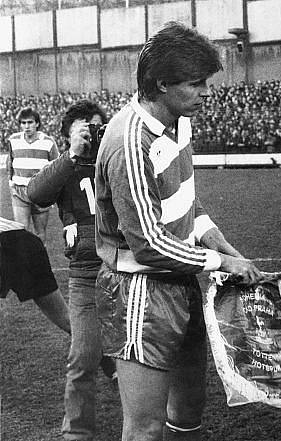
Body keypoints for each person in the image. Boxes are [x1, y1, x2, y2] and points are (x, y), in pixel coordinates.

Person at [94, 22, 263, 441]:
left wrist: (221, 244)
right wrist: (222, 262)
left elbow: (187, 200)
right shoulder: (129, 143)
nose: (206, 91)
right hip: (141, 290)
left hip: (181, 280)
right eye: (197, 83)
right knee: (145, 428)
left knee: (188, 413)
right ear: (162, 83)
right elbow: (149, 245)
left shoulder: (178, 119)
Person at [28, 99, 117, 441]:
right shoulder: (64, 167)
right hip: (84, 274)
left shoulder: (116, 160)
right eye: (85, 129)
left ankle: (147, 417)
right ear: (67, 135)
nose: (93, 135)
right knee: (83, 356)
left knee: (140, 352)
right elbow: (36, 194)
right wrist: (72, 156)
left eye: (98, 127)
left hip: (126, 269)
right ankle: (77, 431)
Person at [0, 216, 70, 334]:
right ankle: (99, 347)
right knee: (65, 318)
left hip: (13, 242)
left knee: (64, 317)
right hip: (24, 239)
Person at [6, 107, 59, 243]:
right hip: (19, 191)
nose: (26, 126)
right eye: (23, 123)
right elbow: (10, 164)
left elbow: (56, 167)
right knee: (21, 231)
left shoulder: (48, 141)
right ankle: (24, 264)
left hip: (40, 192)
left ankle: (40, 263)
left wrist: (51, 190)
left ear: (37, 123)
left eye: (30, 122)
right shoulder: (13, 140)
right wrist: (11, 184)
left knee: (40, 234)